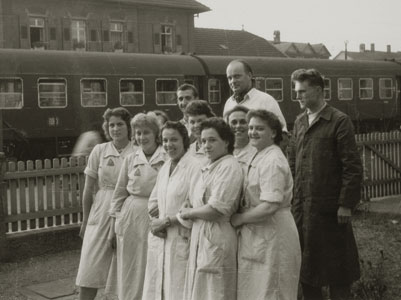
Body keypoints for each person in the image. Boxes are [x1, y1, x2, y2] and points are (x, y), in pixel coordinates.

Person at [290, 69, 363, 300]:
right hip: (303, 211)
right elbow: (293, 163)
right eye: (296, 92)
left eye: (302, 91)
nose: (298, 97)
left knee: (337, 275)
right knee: (308, 272)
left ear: (319, 90)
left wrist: (346, 205)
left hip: (331, 212)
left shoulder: (339, 121)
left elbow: (352, 166)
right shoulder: (300, 122)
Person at [231, 109, 301, 300]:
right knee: (258, 290)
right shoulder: (259, 154)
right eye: (251, 127)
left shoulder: (272, 160)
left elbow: (270, 206)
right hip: (259, 233)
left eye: (260, 128)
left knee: (273, 290)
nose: (253, 132)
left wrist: (239, 219)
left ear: (274, 132)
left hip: (273, 232)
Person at [180, 117, 243, 300]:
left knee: (216, 291)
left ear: (226, 142)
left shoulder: (229, 166)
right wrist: (188, 205)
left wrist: (189, 212)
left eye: (212, 140)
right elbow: (194, 199)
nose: (206, 145)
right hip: (201, 235)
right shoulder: (207, 167)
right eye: (203, 141)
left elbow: (217, 209)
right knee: (200, 291)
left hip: (217, 236)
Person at [76, 107, 135, 300]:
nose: (116, 129)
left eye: (120, 124)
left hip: (127, 208)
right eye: (111, 125)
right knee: (90, 266)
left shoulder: (136, 151)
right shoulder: (99, 150)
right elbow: (88, 189)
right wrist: (85, 221)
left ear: (128, 126)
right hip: (101, 210)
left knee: (124, 266)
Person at [108, 112, 167, 300]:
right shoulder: (131, 158)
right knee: (130, 265)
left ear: (156, 134)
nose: (142, 137)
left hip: (156, 215)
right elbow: (118, 195)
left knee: (153, 263)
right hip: (131, 217)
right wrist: (112, 228)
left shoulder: (166, 157)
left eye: (146, 132)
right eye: (138, 133)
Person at [142, 121, 202, 300]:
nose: (169, 145)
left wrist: (167, 221)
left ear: (184, 140)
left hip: (182, 237)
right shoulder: (166, 166)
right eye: (165, 140)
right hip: (160, 236)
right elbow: (153, 201)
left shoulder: (195, 167)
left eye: (174, 139)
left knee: (178, 290)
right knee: (157, 290)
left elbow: (196, 208)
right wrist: (155, 223)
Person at [223, 59, 288, 133]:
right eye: (229, 78)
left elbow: (282, 131)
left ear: (249, 75)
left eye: (237, 76)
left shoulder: (266, 100)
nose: (233, 81)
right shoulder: (229, 103)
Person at [225, 105, 257, 169]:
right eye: (234, 122)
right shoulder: (223, 151)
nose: (238, 126)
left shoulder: (257, 151)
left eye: (243, 122)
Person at [185, 100, 216, 165]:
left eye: (200, 121)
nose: (196, 125)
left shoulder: (216, 147)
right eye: (192, 122)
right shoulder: (189, 149)